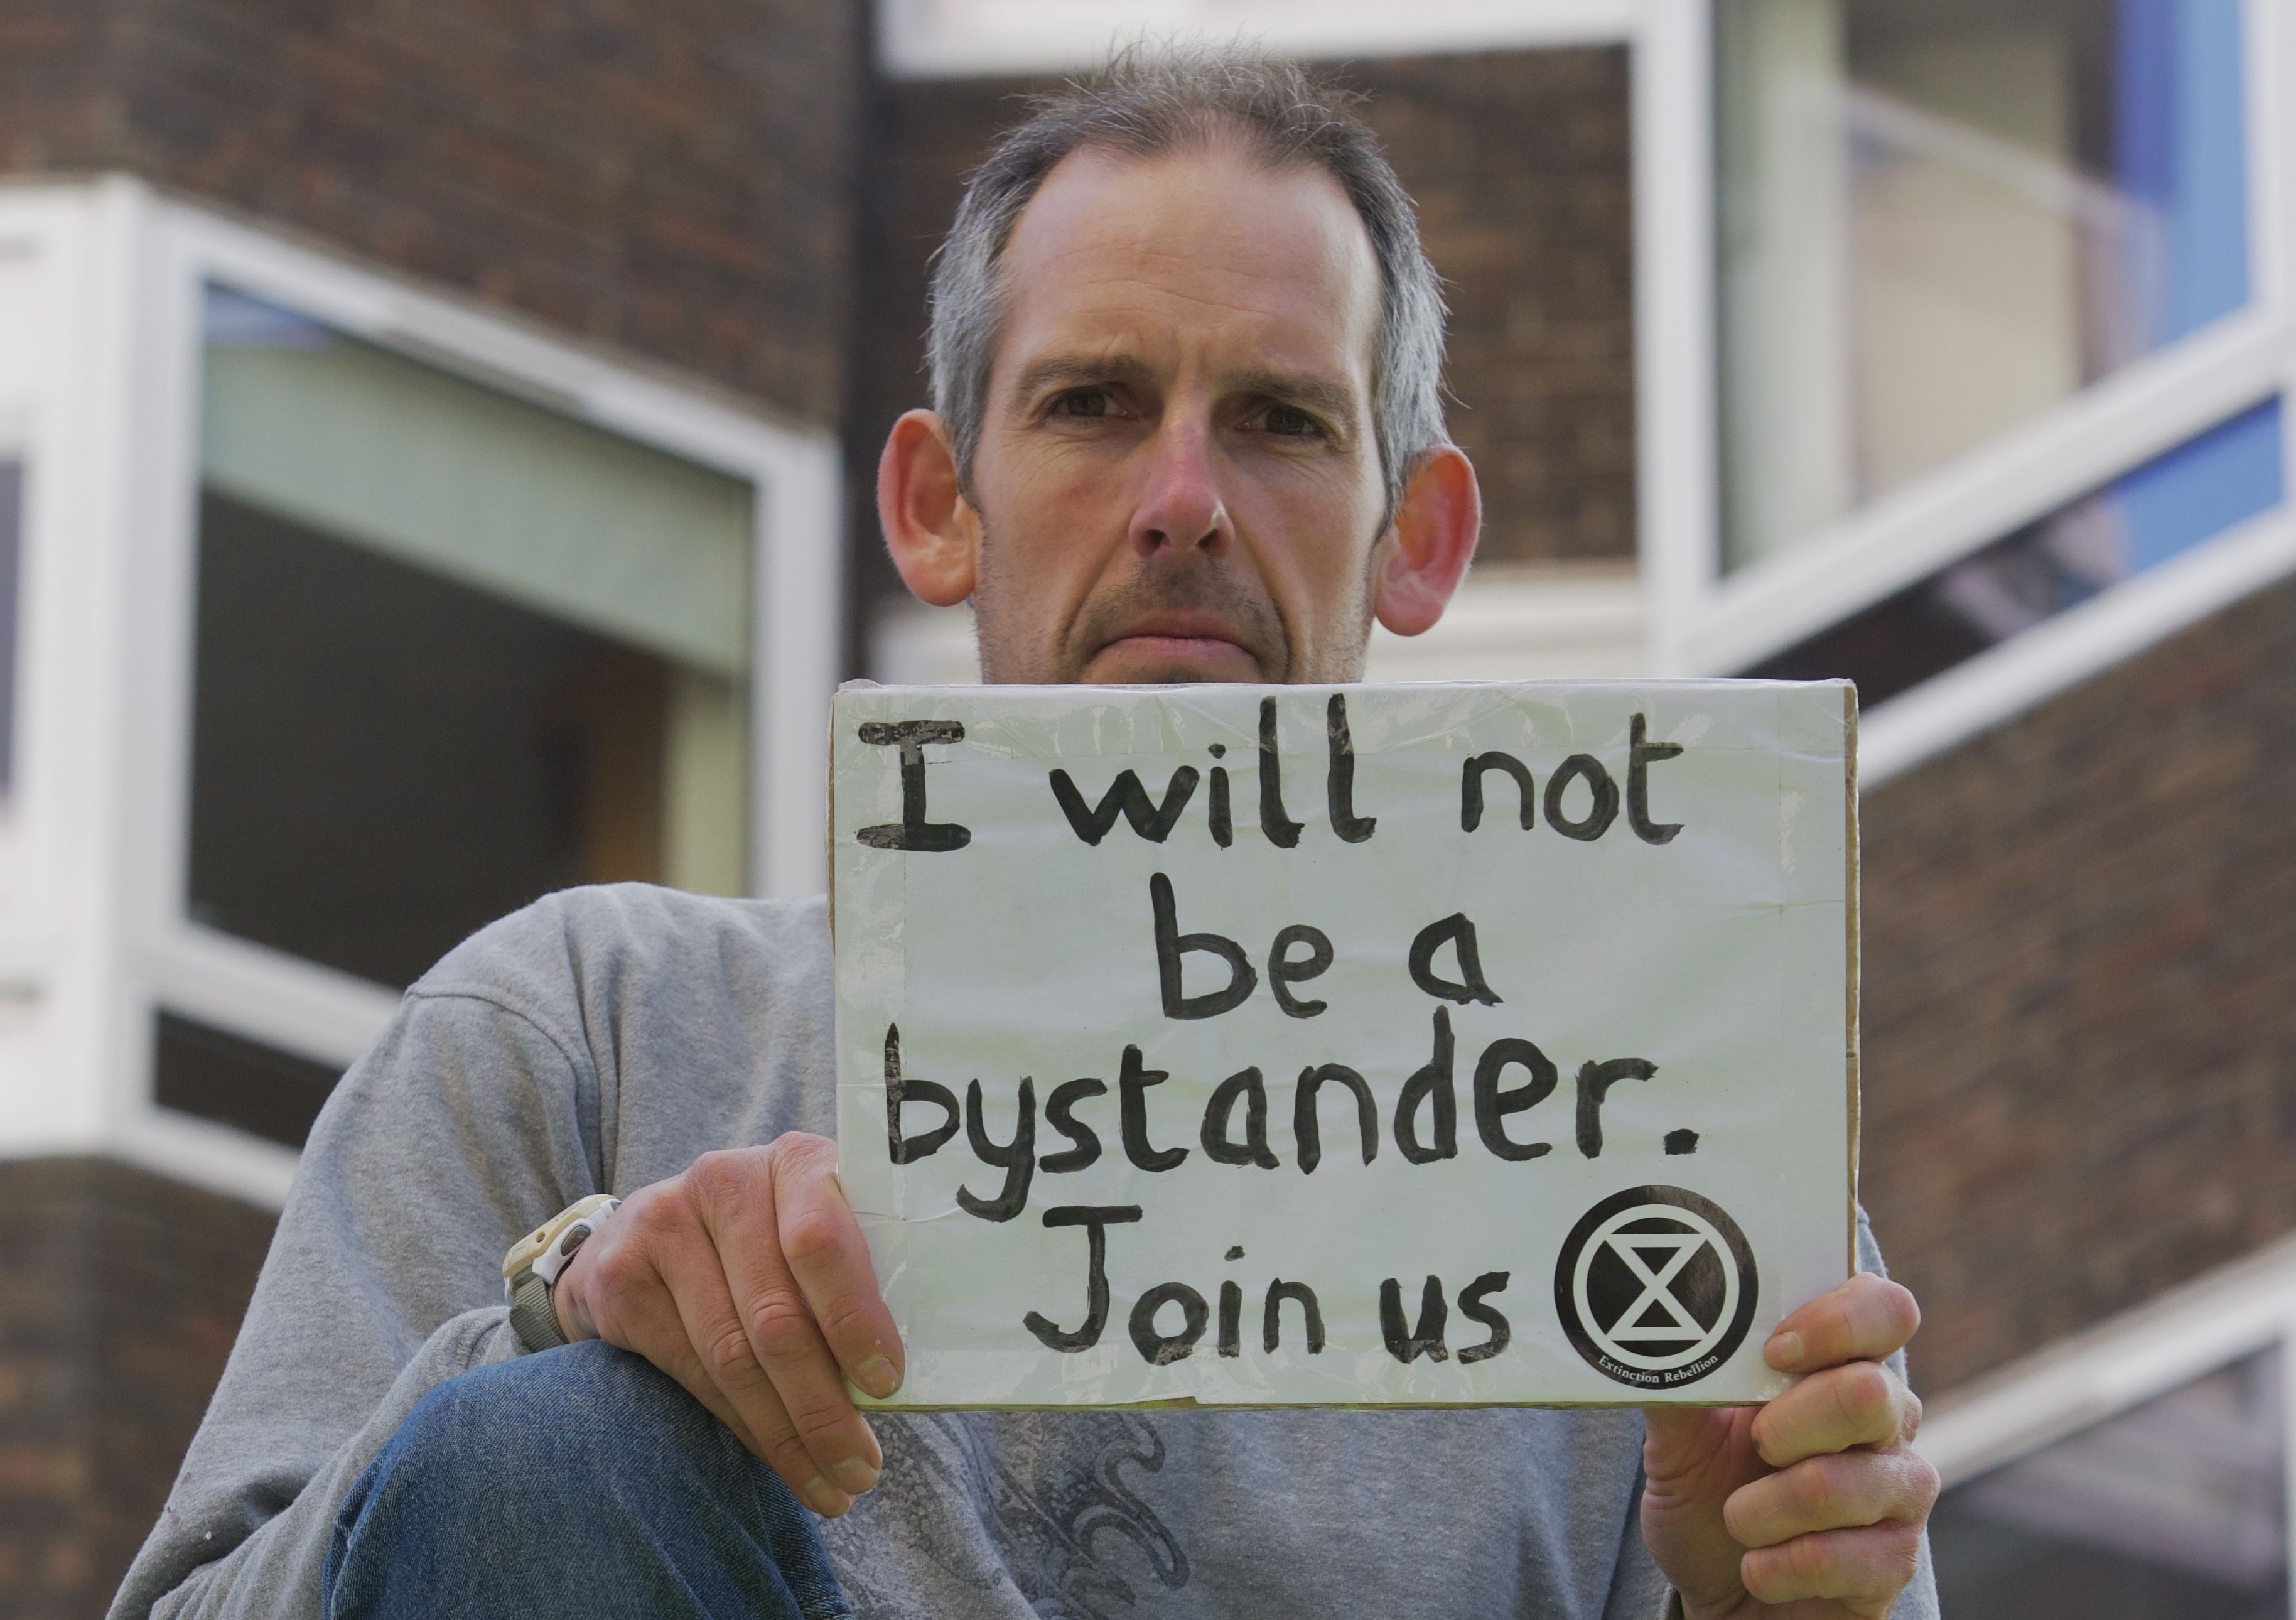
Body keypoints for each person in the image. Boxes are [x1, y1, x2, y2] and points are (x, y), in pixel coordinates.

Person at [112, 48, 1941, 1620]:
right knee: (544, 1450)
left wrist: (1759, 1603)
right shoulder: (587, 1027)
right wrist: (555, 1315)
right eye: (1092, 406)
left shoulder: (1658, 1137)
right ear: (937, 505)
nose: (1182, 502)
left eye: (1283, 421)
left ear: (1419, 541)